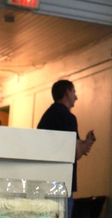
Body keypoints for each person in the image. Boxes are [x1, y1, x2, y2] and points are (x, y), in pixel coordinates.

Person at [37, 80, 96, 210]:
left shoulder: (46, 116)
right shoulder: (68, 117)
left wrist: (85, 143)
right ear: (67, 92)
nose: (76, 96)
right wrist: (87, 144)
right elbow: (74, 152)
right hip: (62, 183)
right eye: (74, 92)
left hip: (42, 181)